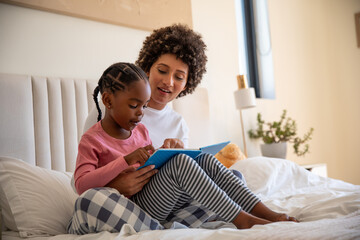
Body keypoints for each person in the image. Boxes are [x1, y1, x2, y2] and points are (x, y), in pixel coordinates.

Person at [68, 24, 297, 234]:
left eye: (178, 76)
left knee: (223, 171)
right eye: (163, 70)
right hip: (120, 201)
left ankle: (265, 214)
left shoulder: (162, 126)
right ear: (148, 68)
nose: (168, 81)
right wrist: (118, 181)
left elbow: (167, 174)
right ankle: (238, 219)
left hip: (158, 199)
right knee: (90, 202)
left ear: (187, 83)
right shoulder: (105, 117)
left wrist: (168, 155)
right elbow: (81, 183)